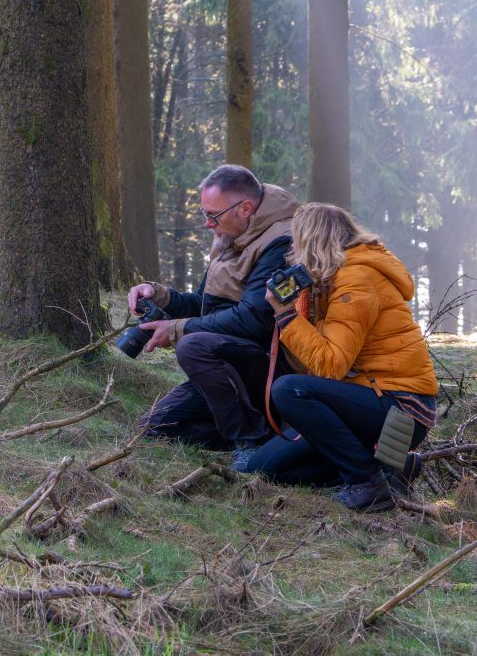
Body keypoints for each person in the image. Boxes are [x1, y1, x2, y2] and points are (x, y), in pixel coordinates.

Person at [246, 203, 438, 512]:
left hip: (402, 410)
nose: (292, 249)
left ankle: (368, 483)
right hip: (367, 401)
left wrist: (286, 317)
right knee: (262, 469)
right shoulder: (328, 282)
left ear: (314, 241)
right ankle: (394, 468)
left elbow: (331, 365)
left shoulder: (356, 279)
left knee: (289, 389)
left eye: (296, 240)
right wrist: (300, 307)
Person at [122, 164, 300, 469]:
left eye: (213, 216)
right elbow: (204, 304)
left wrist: (177, 329)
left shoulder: (282, 241)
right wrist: (159, 294)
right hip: (226, 367)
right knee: (155, 428)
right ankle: (265, 434)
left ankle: (250, 438)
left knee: (192, 345)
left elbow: (254, 320)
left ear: (245, 208)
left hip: (270, 370)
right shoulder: (233, 234)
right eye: (205, 214)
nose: (207, 224)